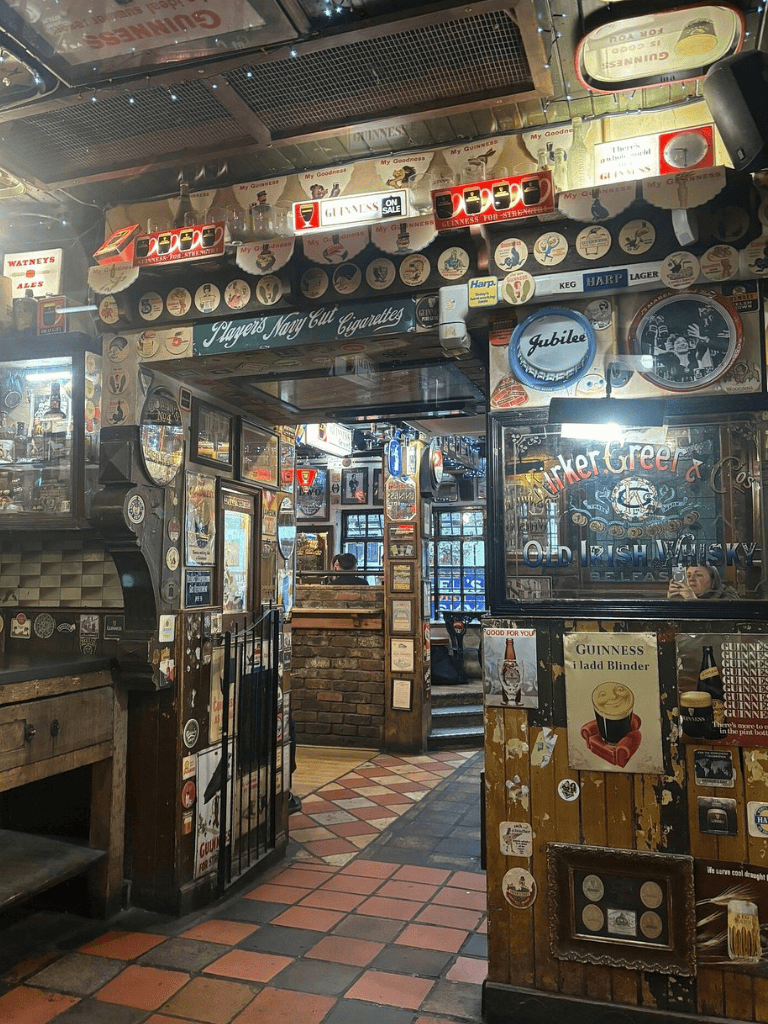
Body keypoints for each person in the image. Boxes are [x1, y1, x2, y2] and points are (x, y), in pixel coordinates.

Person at [667, 564, 739, 600]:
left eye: (698, 575)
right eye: (688, 575)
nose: (691, 579)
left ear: (713, 580)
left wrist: (692, 601)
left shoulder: (728, 597)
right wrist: (672, 603)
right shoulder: (683, 597)